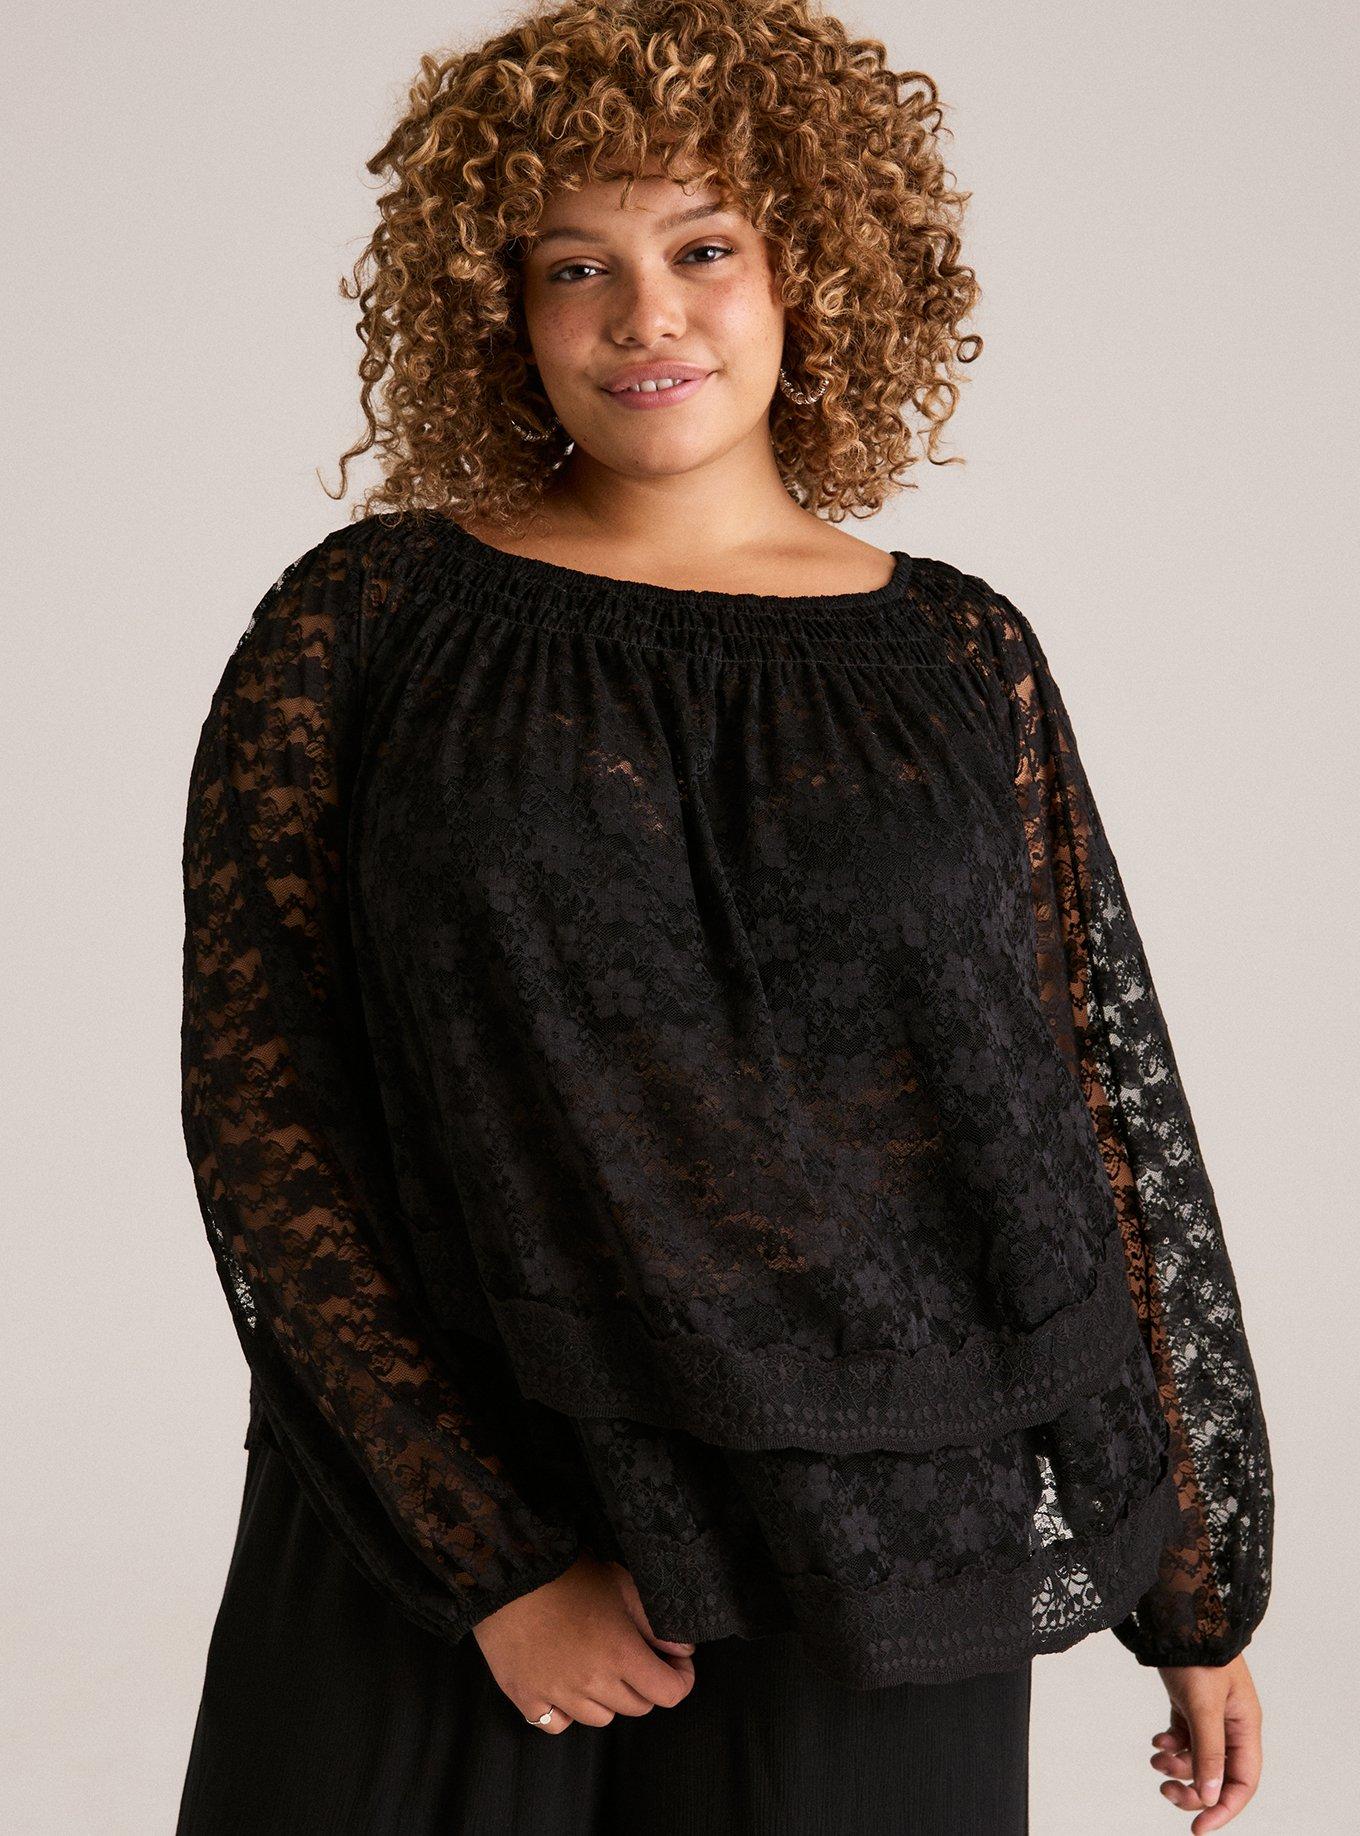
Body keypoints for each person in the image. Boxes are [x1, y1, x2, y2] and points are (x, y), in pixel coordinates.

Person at [173, 3, 1274, 1832]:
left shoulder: (958, 657)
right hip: (445, 1538)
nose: (644, 315)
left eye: (703, 249)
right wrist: (493, 1560)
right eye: (574, 265)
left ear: (812, 272)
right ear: (500, 307)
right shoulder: (366, 624)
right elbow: (267, 1098)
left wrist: (1195, 1588)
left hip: (884, 1549)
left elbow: (1083, 1109)